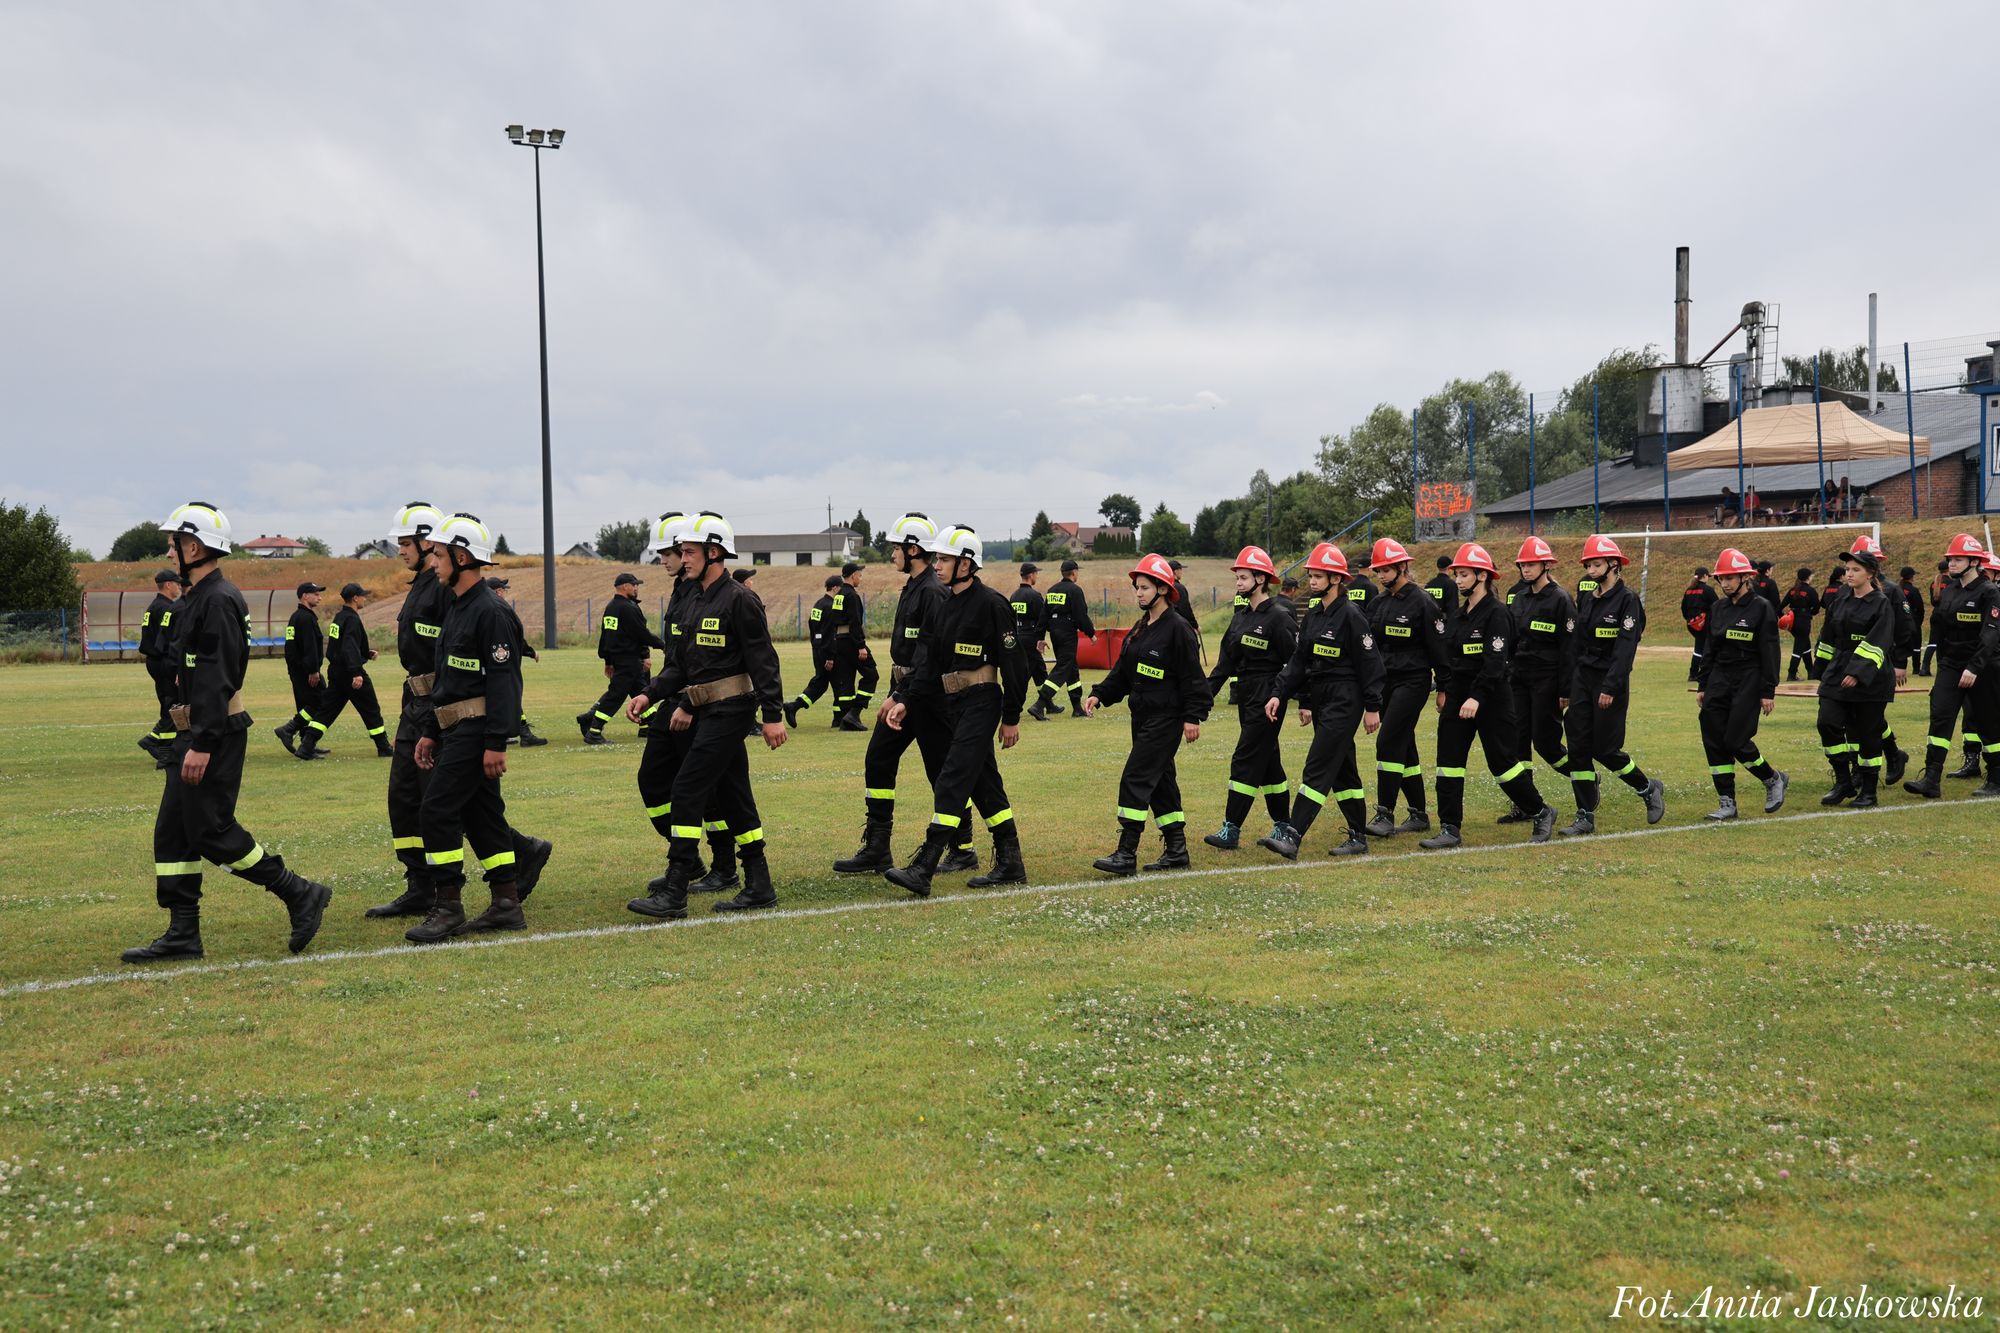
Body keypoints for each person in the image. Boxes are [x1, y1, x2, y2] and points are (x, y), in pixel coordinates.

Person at [123, 502, 333, 963]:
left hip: (211, 732)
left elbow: (219, 676)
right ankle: (182, 932)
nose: (168, 549)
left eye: (173, 541)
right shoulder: (197, 597)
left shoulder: (217, 599)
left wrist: (202, 742)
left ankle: (299, 892)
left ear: (193, 546)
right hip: (194, 731)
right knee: (173, 833)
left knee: (211, 829)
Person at [624, 512, 787, 919]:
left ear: (714, 552)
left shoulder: (740, 599)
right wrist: (649, 694)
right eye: (681, 550)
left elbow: (764, 661)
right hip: (703, 706)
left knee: (687, 789)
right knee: (734, 796)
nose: (682, 557)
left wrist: (773, 715)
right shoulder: (696, 598)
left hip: (730, 710)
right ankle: (759, 884)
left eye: (689, 551)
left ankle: (676, 888)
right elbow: (681, 665)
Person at [404, 513, 554, 942]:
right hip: (453, 728)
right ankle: (507, 903)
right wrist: (432, 729)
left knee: (436, 810)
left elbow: (505, 681)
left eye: (437, 553)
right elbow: (449, 677)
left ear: (462, 556)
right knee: (482, 814)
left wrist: (496, 742)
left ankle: (448, 906)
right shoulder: (456, 606)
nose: (433, 561)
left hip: (477, 730)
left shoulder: (491, 611)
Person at [879, 525, 1030, 897]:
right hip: (953, 704)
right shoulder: (943, 604)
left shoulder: (993, 604)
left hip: (982, 700)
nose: (937, 564)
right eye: (936, 558)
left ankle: (924, 865)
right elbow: (927, 662)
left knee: (953, 776)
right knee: (984, 785)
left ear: (966, 563)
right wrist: (904, 699)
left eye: (944, 558)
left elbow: (1016, 665)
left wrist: (1011, 717)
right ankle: (1011, 861)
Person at [830, 512, 977, 877]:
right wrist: (898, 692)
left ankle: (963, 849)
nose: (891, 553)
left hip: (928, 697)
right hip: (907, 691)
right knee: (878, 758)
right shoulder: (914, 586)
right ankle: (878, 848)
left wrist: (904, 697)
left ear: (913, 549)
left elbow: (931, 656)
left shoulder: (933, 591)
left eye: (896, 547)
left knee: (942, 772)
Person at [1418, 542, 1558, 849]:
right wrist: (1447, 691)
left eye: (1465, 574)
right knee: (1449, 763)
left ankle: (1540, 811)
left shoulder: (1496, 614)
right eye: (1456, 574)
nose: (1458, 580)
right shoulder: (1457, 614)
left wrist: (1477, 697)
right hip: (1458, 697)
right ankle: (1449, 829)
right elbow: (1451, 657)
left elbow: (1496, 663)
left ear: (1482, 576)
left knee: (1503, 765)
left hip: (1491, 698)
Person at [632, 513, 738, 898]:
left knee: (708, 790)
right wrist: (652, 693)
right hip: (675, 696)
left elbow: (708, 661)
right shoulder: (682, 589)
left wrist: (690, 704)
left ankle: (724, 866)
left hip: (699, 704)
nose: (665, 559)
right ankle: (689, 859)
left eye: (670, 552)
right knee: (653, 781)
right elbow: (679, 660)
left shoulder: (704, 590)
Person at [1082, 555, 1210, 873]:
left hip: (1166, 718)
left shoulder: (1178, 629)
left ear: (1163, 589)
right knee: (1162, 783)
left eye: (1144, 588)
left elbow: (1193, 678)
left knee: (1136, 777)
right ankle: (1177, 850)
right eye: (1137, 588)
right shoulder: (1141, 628)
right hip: (1141, 716)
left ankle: (1126, 853)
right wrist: (1099, 693)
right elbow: (1123, 672)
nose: (1138, 593)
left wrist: (1193, 716)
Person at [1256, 542, 1383, 859]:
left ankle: (1293, 835)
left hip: (1346, 698)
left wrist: (1372, 707)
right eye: (1311, 575)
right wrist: (1278, 692)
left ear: (1336, 579)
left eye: (1318, 576)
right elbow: (1299, 661)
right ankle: (1358, 835)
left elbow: (1371, 665)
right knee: (1343, 770)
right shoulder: (1313, 614)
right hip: (1323, 695)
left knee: (1318, 764)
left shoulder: (1353, 616)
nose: (1311, 581)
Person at [368, 502, 453, 920]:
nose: (399, 551)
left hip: (436, 703)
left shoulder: (441, 585)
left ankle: (519, 854)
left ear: (426, 541)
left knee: (438, 798)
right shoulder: (420, 585)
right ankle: (418, 884)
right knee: (402, 798)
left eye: (405, 543)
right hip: (412, 701)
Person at [1560, 535, 1667, 836]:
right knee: (1578, 747)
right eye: (1588, 565)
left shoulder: (1628, 600)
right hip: (1584, 677)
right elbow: (1576, 645)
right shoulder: (1587, 597)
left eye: (1596, 564)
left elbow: (1625, 649)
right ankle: (1584, 815)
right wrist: (1568, 686)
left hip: (1610, 680)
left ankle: (1647, 788)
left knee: (1605, 749)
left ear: (1613, 565)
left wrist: (1610, 686)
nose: (1591, 570)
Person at [1200, 546, 1297, 849]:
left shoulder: (1280, 618)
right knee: (1268, 762)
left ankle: (1231, 829)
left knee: (1245, 758)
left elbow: (1297, 663)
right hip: (1246, 693)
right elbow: (1225, 663)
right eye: (1238, 578)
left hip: (1269, 696)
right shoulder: (1240, 617)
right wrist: (1203, 696)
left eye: (1243, 577)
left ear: (1261, 578)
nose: (1238, 583)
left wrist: (1303, 700)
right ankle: (1283, 825)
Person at [1361, 536, 1448, 838]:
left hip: (1413, 681)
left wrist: (1443, 688)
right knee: (1404, 746)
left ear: (1402, 567)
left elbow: (1439, 649)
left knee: (1387, 741)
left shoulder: (1423, 602)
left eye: (1386, 570)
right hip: (1386, 682)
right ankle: (1419, 814)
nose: (1382, 576)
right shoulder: (1377, 603)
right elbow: (1369, 649)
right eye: (1379, 571)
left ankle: (1385, 814)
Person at [1903, 535, 2000, 798]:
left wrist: (1974, 668)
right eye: (1950, 559)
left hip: (1982, 667)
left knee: (1987, 721)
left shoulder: (1990, 592)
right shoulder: (1951, 590)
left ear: (1973, 561)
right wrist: (1944, 662)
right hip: (1951, 664)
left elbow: (1990, 634)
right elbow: (1940, 629)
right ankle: (1931, 779)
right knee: (1941, 716)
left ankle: (1996, 778)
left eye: (1957, 559)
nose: (1951, 563)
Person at [1695, 548, 1787, 820]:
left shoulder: (1762, 607)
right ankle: (1727, 802)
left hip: (1750, 676)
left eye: (1730, 578)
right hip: (1719, 678)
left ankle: (1772, 779)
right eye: (1721, 579)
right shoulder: (1718, 607)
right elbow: (1709, 647)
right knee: (1713, 738)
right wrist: (1703, 684)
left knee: (1735, 739)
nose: (1725, 584)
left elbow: (1770, 651)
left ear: (1745, 577)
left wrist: (1768, 690)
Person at [1813, 540, 1899, 809]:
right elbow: (1827, 635)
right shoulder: (1840, 597)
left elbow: (1878, 642)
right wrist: (1821, 667)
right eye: (1847, 569)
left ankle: (1869, 792)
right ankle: (1843, 781)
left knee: (1867, 735)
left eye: (1855, 570)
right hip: (1837, 672)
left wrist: (1857, 673)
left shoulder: (1881, 604)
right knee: (1827, 722)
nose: (1848, 574)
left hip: (1871, 679)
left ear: (1870, 574)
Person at [1499, 535, 1574, 821]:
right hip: (1519, 678)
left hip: (1547, 679)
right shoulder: (1518, 598)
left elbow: (1569, 649)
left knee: (1546, 744)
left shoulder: (1561, 599)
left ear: (1545, 565)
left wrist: (1565, 688)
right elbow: (1512, 640)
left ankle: (1584, 776)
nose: (1525, 570)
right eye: (1522, 565)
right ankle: (1526, 805)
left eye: (1531, 564)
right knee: (1517, 742)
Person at [576, 572, 665, 745]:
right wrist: (662, 644)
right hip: (628, 659)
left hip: (619, 659)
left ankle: (651, 724)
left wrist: (608, 660)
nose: (637, 588)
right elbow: (640, 634)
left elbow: (606, 637)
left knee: (641, 691)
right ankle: (594, 730)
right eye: (635, 585)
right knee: (616, 695)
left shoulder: (612, 607)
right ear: (625, 586)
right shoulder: (628, 608)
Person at [310, 583, 393, 757]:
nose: (364, 598)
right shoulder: (352, 618)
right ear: (355, 598)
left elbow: (340, 646)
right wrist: (356, 672)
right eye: (362, 595)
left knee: (327, 710)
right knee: (370, 708)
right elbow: (348, 646)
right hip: (350, 673)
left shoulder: (339, 617)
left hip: (337, 671)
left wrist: (366, 653)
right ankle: (384, 747)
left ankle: (306, 746)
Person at [483, 576, 547, 747]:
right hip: (501, 666)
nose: (505, 593)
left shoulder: (488, 608)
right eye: (504, 589)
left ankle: (519, 732)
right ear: (498, 591)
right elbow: (513, 638)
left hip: (493, 666)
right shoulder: (498, 610)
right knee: (508, 698)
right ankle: (522, 734)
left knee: (506, 699)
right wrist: (529, 651)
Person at [273, 580, 331, 760]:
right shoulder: (305, 618)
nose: (319, 597)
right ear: (305, 596)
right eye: (316, 594)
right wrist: (313, 670)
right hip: (307, 671)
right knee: (321, 702)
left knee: (306, 704)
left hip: (298, 670)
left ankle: (307, 744)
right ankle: (288, 729)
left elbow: (291, 647)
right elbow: (309, 647)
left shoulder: (296, 617)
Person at [1033, 558, 1096, 719]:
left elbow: (1043, 615)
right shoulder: (1074, 590)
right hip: (1068, 632)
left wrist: (1040, 637)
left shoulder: (1052, 590)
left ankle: (1076, 708)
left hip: (1055, 631)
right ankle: (1040, 704)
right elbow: (1081, 615)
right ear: (1074, 573)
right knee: (1063, 667)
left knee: (1071, 668)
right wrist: (1091, 633)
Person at [136, 568, 184, 769]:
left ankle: (166, 747)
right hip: (164, 661)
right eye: (177, 583)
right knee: (174, 704)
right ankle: (155, 740)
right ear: (168, 585)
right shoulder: (166, 608)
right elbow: (171, 639)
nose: (179, 587)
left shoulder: (153, 606)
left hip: (154, 661)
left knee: (168, 703)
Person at [785, 575, 847, 727]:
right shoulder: (831, 606)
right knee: (839, 683)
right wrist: (830, 656)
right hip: (828, 650)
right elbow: (829, 633)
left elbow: (814, 629)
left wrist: (818, 648)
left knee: (821, 683)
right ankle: (838, 719)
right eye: (842, 588)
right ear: (835, 588)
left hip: (817, 648)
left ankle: (794, 706)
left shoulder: (818, 604)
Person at [1010, 562, 1051, 714]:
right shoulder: (1034, 596)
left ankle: (1048, 703)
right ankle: (1012, 704)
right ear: (1031, 575)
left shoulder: (1014, 596)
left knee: (1040, 671)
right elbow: (1043, 619)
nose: (1037, 576)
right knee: (1025, 674)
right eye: (1036, 574)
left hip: (1019, 636)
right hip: (1032, 638)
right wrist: (1041, 637)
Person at [1783, 566, 1822, 682]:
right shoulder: (1810, 591)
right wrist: (1810, 612)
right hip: (1804, 621)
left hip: (1793, 623)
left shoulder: (1792, 590)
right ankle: (1791, 673)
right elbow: (1817, 608)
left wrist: (1784, 619)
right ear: (1808, 577)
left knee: (1805, 645)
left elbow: (1780, 607)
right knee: (1798, 648)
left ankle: (1811, 672)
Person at [1679, 566, 1717, 683]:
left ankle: (1695, 673)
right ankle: (1696, 673)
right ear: (1704, 576)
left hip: (1692, 624)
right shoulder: (1708, 590)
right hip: (1705, 624)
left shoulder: (1688, 591)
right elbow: (1717, 605)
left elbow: (1683, 608)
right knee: (1704, 648)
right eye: (1707, 576)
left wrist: (1690, 620)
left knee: (1700, 647)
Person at [1898, 566, 1928, 676]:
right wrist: (1918, 622)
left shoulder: (1897, 589)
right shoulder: (1913, 590)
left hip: (1900, 622)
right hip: (1913, 621)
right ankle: (1916, 669)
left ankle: (1901, 666)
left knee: (1901, 645)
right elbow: (1920, 608)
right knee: (1916, 646)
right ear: (1911, 577)